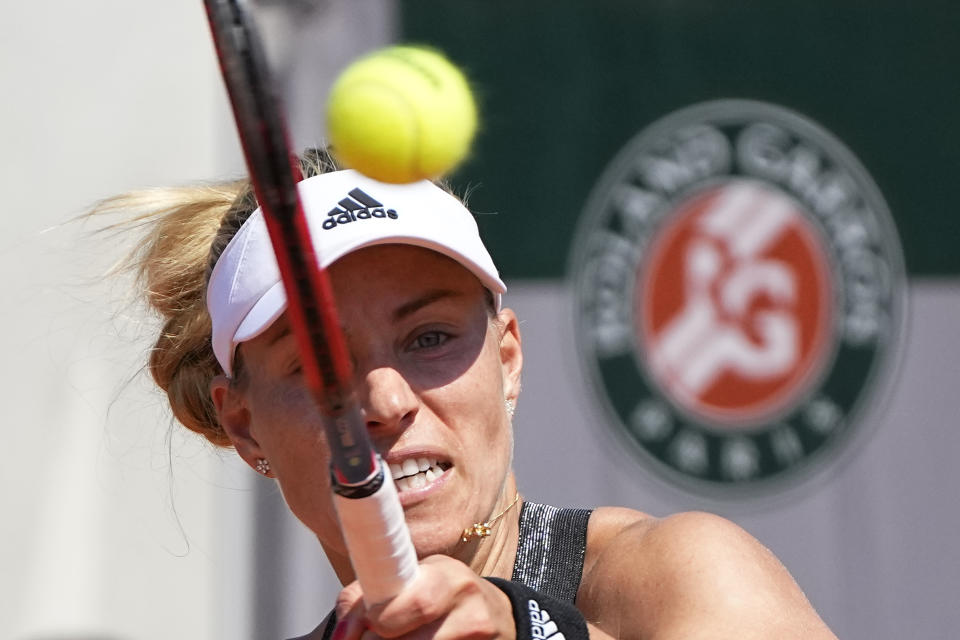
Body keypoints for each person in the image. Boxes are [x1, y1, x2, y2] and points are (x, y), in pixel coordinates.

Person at [101, 149, 836, 639]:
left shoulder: (678, 569)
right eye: (321, 365)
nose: (385, 401)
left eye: (428, 338)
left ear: (507, 360)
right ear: (246, 426)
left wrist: (524, 627)